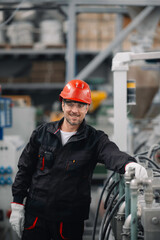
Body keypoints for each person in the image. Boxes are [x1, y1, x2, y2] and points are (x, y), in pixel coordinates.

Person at [9, 79, 147, 240]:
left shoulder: (94, 139)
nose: (74, 110)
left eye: (80, 105)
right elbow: (25, 169)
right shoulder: (42, 133)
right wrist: (17, 204)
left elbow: (111, 153)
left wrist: (129, 164)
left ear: (87, 108)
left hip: (69, 222)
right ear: (63, 105)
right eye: (70, 104)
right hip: (36, 218)